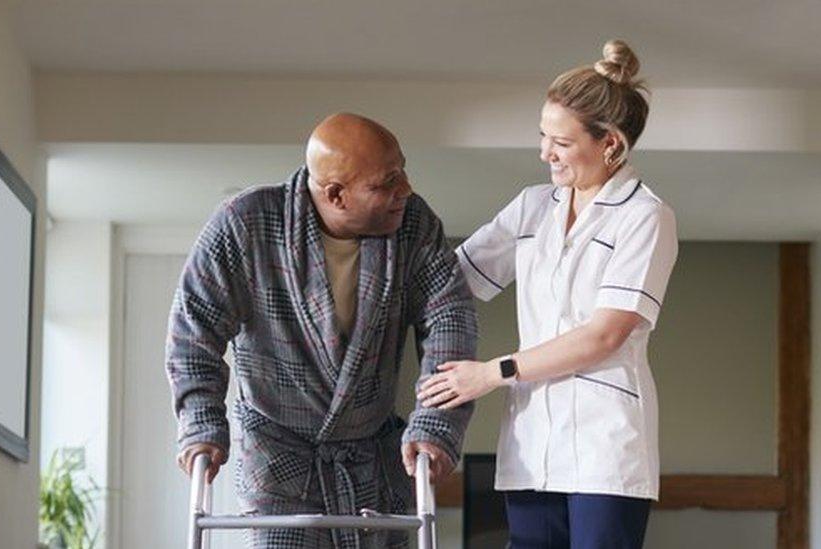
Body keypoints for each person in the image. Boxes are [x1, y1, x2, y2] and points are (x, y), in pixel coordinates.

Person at [166, 113, 478, 548]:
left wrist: (435, 423)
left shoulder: (413, 225)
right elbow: (193, 334)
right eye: (386, 182)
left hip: (371, 457)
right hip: (279, 460)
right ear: (336, 194)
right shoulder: (245, 225)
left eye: (402, 171)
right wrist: (201, 422)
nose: (405, 189)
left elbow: (449, 318)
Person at [417, 40, 678, 548]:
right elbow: (452, 281)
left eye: (560, 141)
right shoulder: (533, 207)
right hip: (533, 439)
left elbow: (604, 335)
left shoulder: (645, 216)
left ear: (610, 145)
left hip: (606, 444)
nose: (544, 153)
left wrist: (492, 373)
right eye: (543, 136)